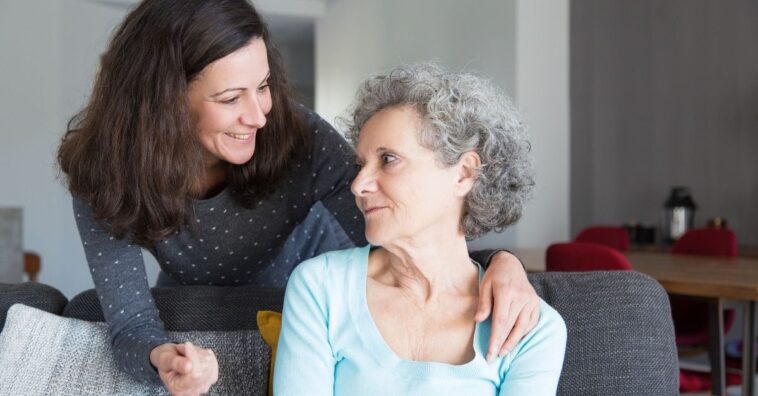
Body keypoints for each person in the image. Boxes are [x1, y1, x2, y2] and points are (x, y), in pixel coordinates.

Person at [57, 1, 540, 394]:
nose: (259, 115)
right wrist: (162, 356)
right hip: (199, 303)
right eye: (230, 99)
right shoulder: (105, 175)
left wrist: (499, 262)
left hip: (319, 296)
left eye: (263, 86)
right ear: (161, 102)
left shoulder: (297, 137)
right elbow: (130, 325)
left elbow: (412, 228)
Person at [275, 63, 567, 395]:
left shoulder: (531, 328)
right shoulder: (320, 287)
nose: (358, 185)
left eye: (388, 159)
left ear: (463, 174)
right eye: (360, 165)